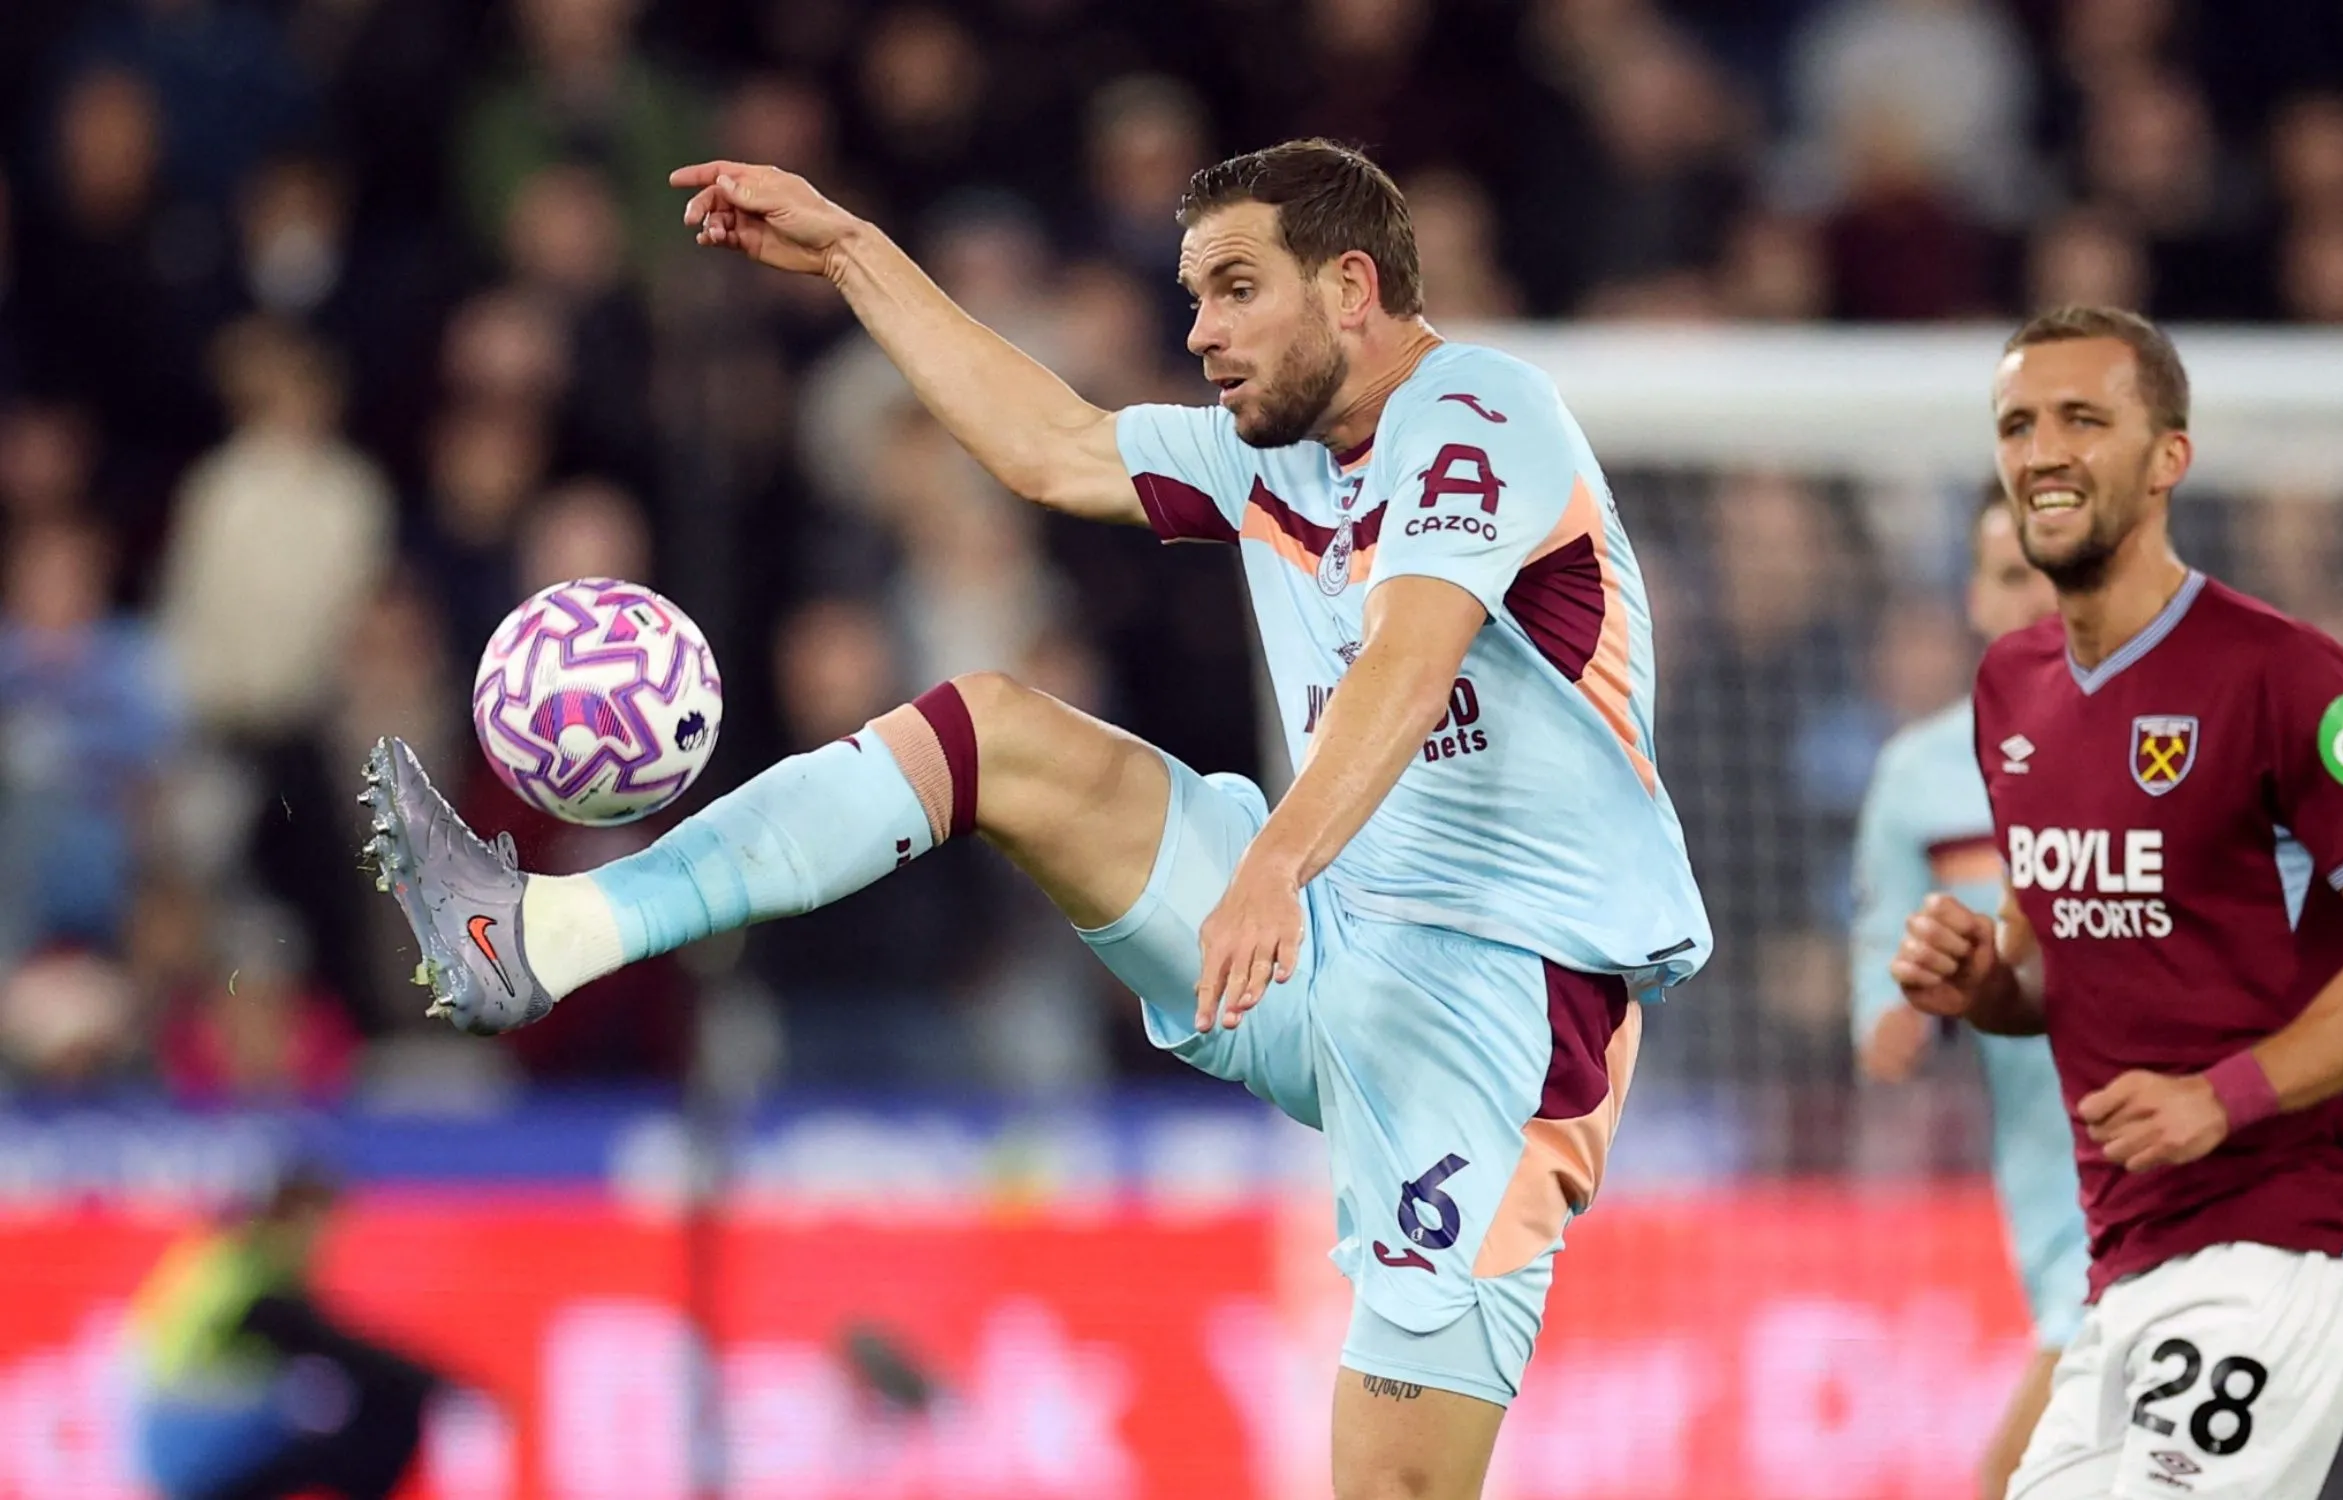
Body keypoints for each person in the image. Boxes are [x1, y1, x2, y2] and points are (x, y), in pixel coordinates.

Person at [361, 138, 1711, 1498]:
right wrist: (848, 250)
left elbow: (1410, 665)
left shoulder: (1479, 414)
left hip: (1497, 1021)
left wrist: (1273, 870)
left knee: (1398, 1487)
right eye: (1192, 298)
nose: (1202, 333)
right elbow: (1049, 445)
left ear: (1352, 285)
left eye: (1236, 289)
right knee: (999, 735)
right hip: (1319, 931)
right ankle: (546, 927)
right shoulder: (1280, 459)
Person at [1892, 306, 2343, 1500]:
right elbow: (2052, 961)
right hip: (2129, 1261)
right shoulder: (2012, 689)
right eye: (2019, 423)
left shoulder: (2280, 676)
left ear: (2169, 456)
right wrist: (1987, 985)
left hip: (2283, 1241)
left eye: (2084, 418)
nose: (2043, 450)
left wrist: (2221, 1101)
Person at [1848, 482, 2085, 1500]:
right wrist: (1903, 1016)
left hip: (2186, 1151)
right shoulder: (1921, 777)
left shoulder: (2179, 737)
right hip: (2047, 1168)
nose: (2031, 598)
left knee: (2016, 1477)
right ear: (1973, 600)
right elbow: (1883, 995)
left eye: (2052, 572)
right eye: (2006, 575)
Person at [127, 1162, 441, 1500]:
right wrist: (444, 1385)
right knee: (382, 1408)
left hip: (172, 1435)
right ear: (294, 1220)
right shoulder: (253, 1284)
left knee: (342, 1405)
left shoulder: (223, 1258)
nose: (326, 1242)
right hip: (192, 1438)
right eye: (323, 1226)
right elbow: (337, 1345)